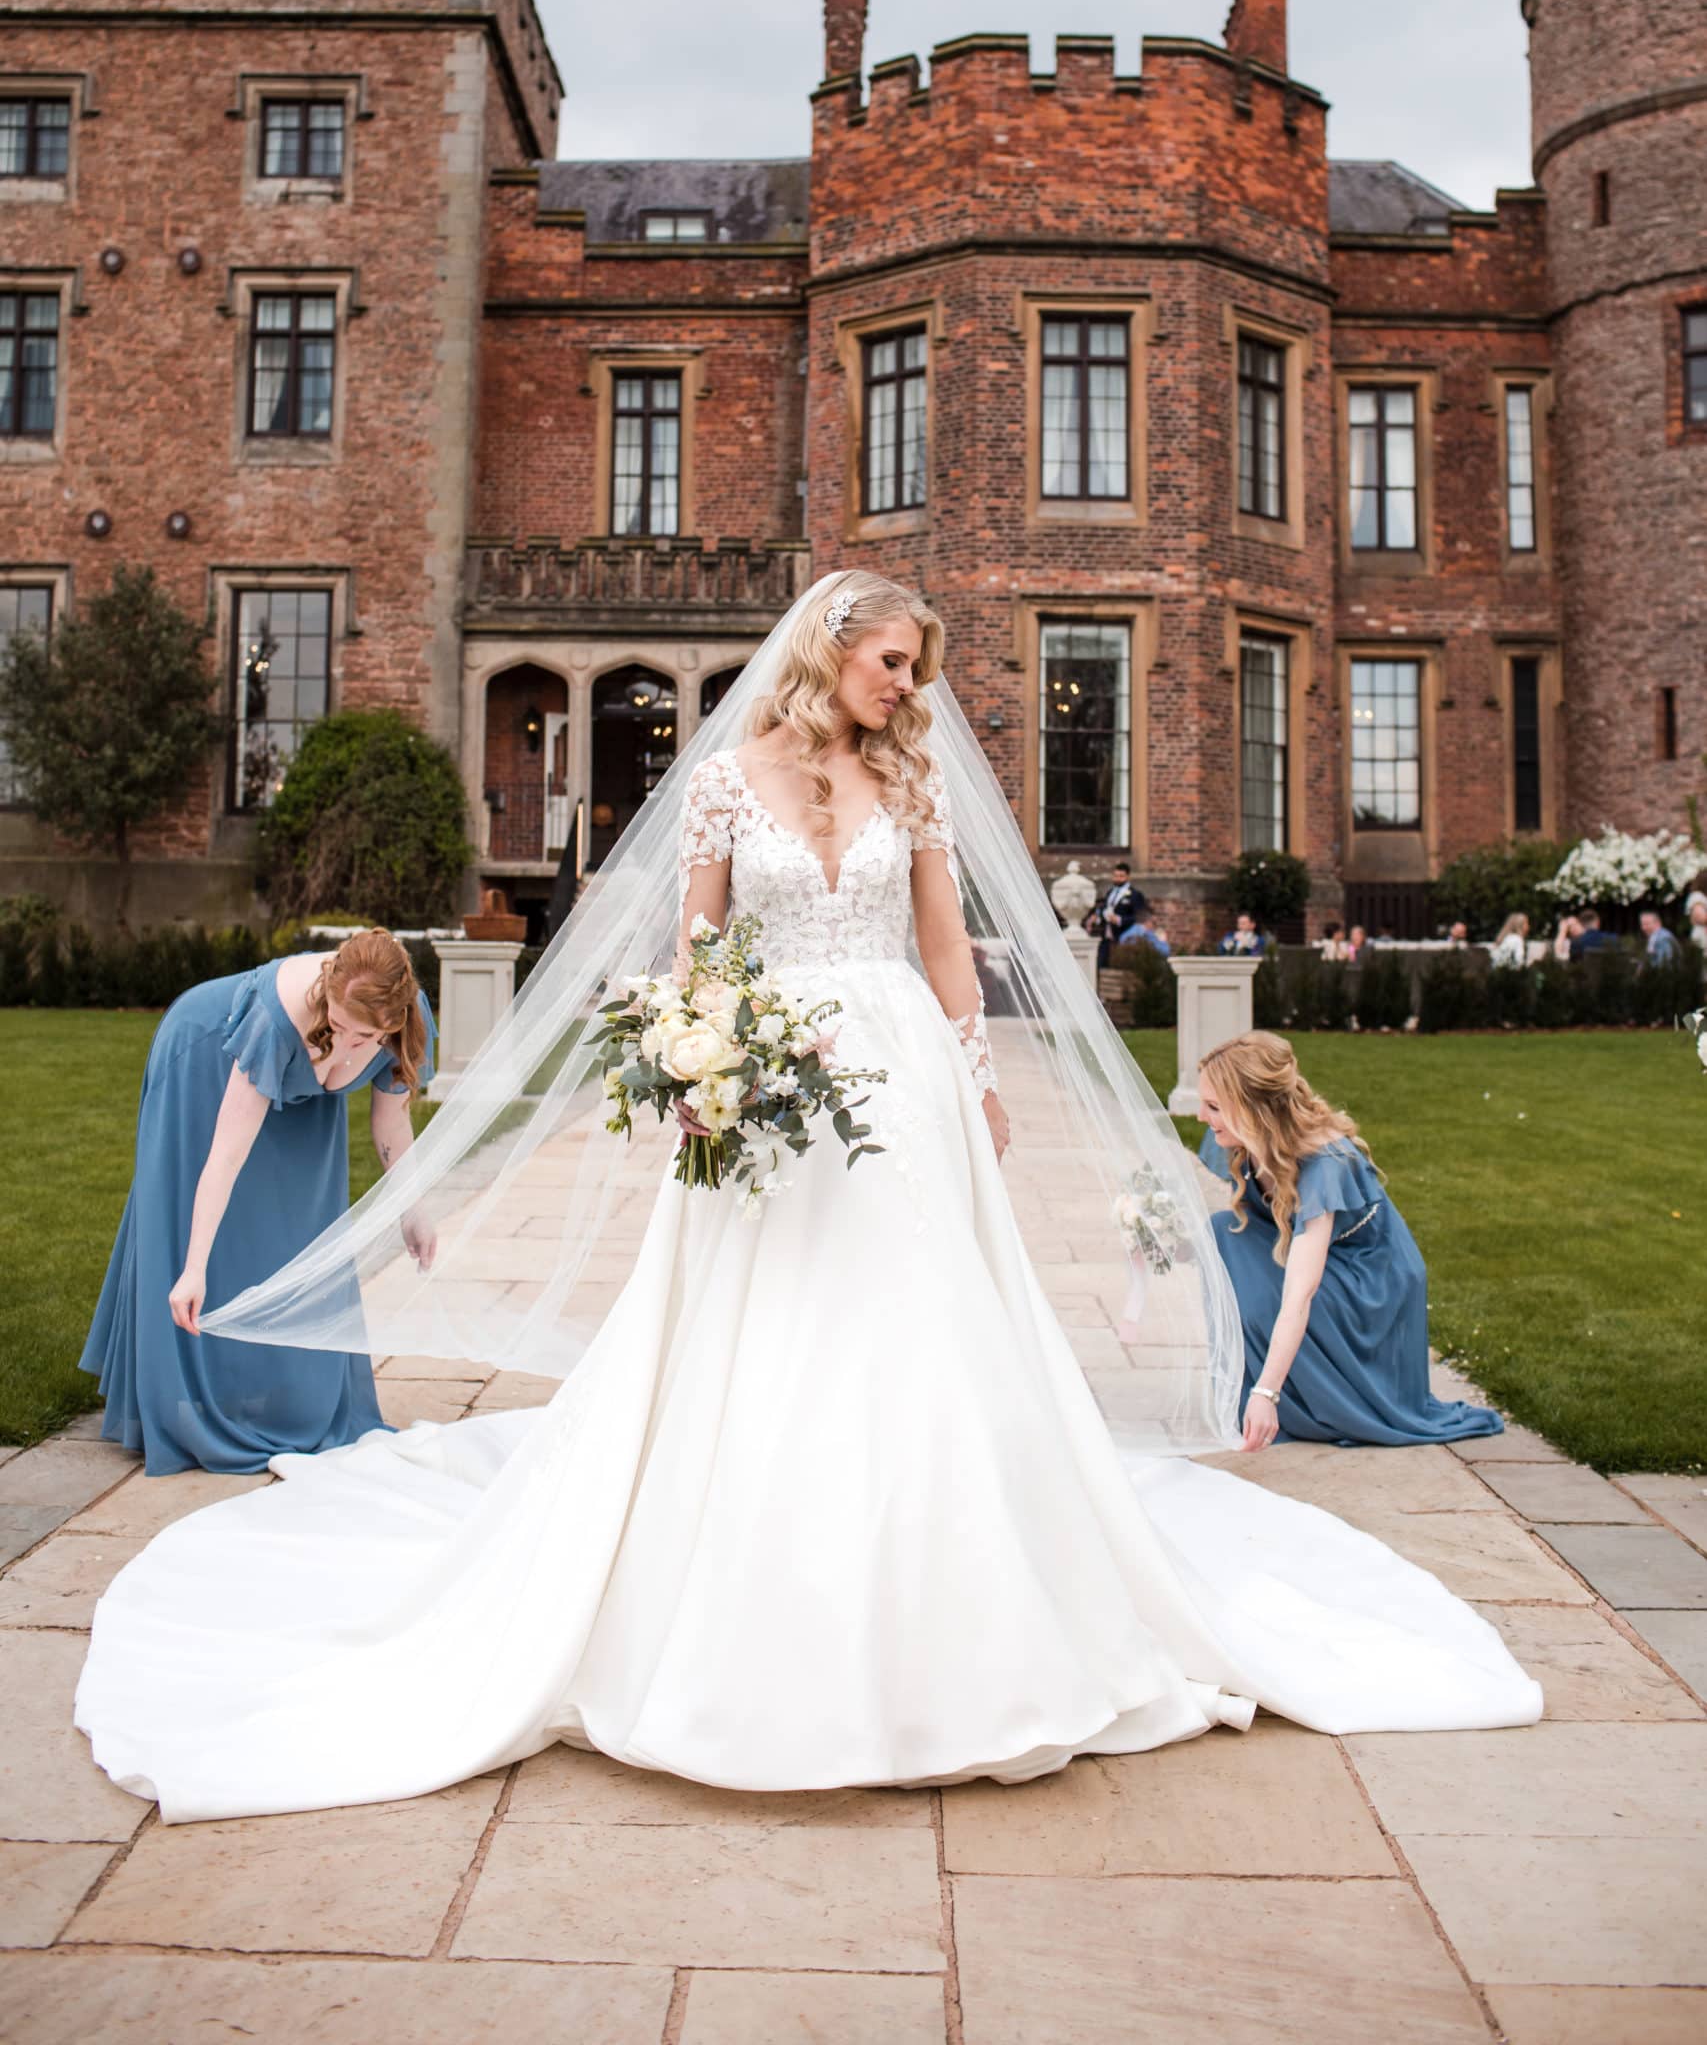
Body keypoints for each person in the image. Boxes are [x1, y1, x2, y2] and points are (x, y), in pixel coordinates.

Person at [75, 571, 1538, 1826]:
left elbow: (946, 949)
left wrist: (969, 1075)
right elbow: (698, 939)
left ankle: (940, 1605)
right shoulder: (723, 776)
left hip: (897, 1071)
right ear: (828, 645)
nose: (908, 690)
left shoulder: (910, 780)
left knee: (915, 1328)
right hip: (760, 1084)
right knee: (757, 1327)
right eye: (894, 661)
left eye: (919, 672)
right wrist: (698, 1062)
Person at [79, 930, 436, 1475]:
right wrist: (192, 1268)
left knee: (297, 1222)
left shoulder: (410, 1023)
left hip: (286, 1062)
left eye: (363, 1037)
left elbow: (392, 1119)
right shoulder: (277, 1019)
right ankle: (185, 1400)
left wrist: (413, 1210)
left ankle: (279, 1395)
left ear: (395, 1019)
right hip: (205, 1052)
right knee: (207, 1231)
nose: (343, 1051)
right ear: (326, 991)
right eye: (336, 1026)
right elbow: (224, 1155)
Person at [1195, 1032, 1504, 1452]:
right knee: (1221, 1234)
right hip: (1325, 1258)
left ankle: (1283, 1397)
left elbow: (1300, 1293)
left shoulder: (1324, 1166)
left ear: (1253, 1110)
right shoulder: (1244, 1142)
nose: (1200, 1116)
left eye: (1213, 1107)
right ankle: (1254, 1383)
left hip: (1370, 1281)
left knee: (1260, 1288)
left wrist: (1266, 1393)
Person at [1093, 863, 1145, 969]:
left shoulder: (1135, 895)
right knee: (1101, 965)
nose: (1118, 879)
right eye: (1116, 876)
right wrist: (1101, 915)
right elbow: (1104, 908)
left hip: (1123, 937)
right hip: (1106, 936)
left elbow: (1140, 917)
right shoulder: (1110, 893)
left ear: (1127, 877)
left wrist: (1120, 920)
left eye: (1121, 876)